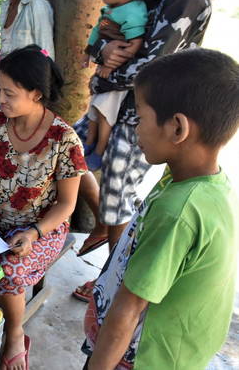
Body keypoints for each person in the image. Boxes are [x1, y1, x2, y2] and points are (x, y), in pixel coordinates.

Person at [73, 0, 211, 300]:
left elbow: (153, 66)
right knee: (69, 148)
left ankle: (111, 286)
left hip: (145, 117)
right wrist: (103, 50)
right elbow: (108, 27)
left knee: (118, 194)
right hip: (119, 106)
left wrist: (102, 76)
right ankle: (106, 224)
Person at [82, 48, 239, 370]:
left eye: (139, 117)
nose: (136, 128)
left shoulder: (178, 210)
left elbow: (128, 310)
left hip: (142, 356)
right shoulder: (200, 184)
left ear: (177, 129)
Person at [0, 45, 86, 370]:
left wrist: (33, 232)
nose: (0, 99)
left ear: (36, 94)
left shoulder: (64, 140)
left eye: (10, 93)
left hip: (42, 228)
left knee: (7, 271)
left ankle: (13, 333)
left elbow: (67, 204)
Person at [82, 0, 148, 171]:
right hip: (103, 74)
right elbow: (97, 31)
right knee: (93, 110)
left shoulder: (135, 11)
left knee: (104, 114)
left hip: (115, 78)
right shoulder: (111, 10)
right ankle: (89, 143)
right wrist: (88, 53)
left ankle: (99, 152)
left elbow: (134, 44)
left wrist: (111, 65)